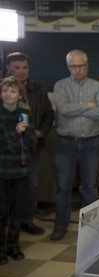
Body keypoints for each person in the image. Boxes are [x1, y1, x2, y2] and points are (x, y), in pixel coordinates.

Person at [51, 50, 99, 241]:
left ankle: (90, 225)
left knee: (90, 187)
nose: (78, 69)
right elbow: (63, 109)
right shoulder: (60, 85)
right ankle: (60, 225)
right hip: (65, 144)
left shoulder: (97, 87)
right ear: (68, 67)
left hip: (90, 144)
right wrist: (87, 106)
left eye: (81, 65)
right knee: (63, 187)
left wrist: (77, 108)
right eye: (74, 66)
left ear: (87, 65)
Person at [5, 52, 55, 236]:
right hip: (8, 149)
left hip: (33, 147)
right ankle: (8, 222)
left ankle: (26, 220)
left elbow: (49, 114)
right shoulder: (3, 90)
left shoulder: (39, 89)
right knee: (8, 188)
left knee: (31, 186)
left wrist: (41, 131)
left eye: (25, 68)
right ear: (8, 68)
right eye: (17, 68)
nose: (21, 72)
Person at [0, 77, 35, 264]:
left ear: (19, 94)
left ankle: (14, 245)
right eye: (5, 90)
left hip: (21, 171)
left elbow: (30, 140)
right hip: (2, 170)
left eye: (12, 91)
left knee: (17, 210)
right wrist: (16, 133)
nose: (8, 94)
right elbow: (4, 143)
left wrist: (21, 137)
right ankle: (1, 248)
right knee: (2, 211)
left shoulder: (25, 113)